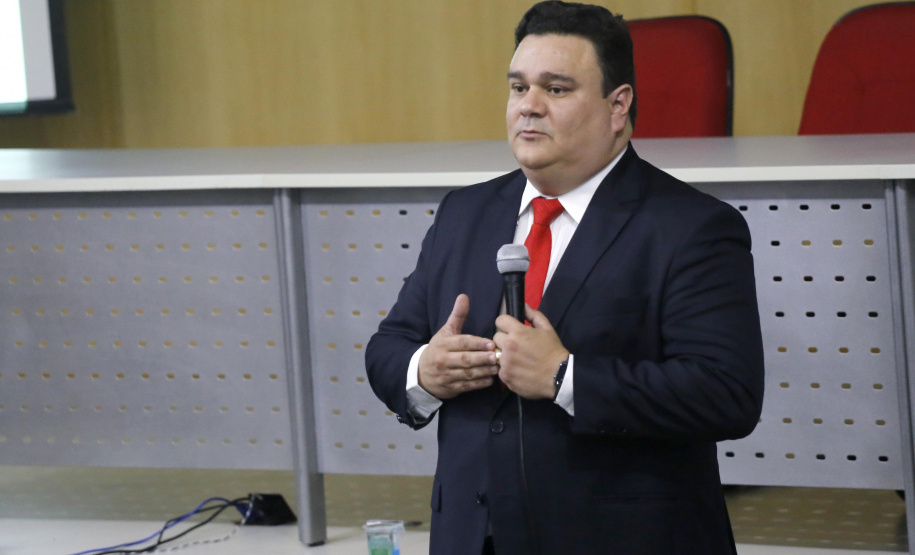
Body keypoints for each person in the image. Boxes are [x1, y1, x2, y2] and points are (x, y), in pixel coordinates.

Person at [365, 2, 764, 553]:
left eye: (555, 90)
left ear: (616, 105)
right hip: (471, 537)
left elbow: (726, 395)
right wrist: (425, 371)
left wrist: (565, 377)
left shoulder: (690, 226)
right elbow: (388, 348)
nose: (528, 107)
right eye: (517, 87)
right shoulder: (464, 213)